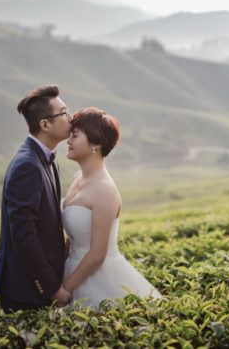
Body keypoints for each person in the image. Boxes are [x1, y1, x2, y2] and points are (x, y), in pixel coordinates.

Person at [60, 107, 161, 308]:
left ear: (95, 144)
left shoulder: (105, 190)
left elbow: (98, 253)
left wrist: (66, 288)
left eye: (75, 136)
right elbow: (73, 238)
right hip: (70, 269)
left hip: (97, 277)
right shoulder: (77, 178)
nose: (69, 141)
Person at [0, 85, 73, 312]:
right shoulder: (27, 166)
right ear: (45, 124)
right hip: (25, 291)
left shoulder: (49, 160)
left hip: (42, 284)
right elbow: (23, 235)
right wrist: (51, 288)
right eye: (64, 112)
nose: (71, 117)